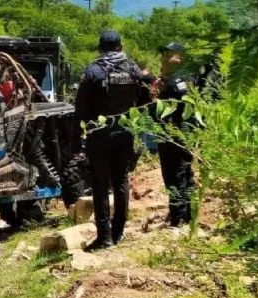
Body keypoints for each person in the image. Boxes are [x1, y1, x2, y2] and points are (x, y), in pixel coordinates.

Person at [75, 31, 147, 251]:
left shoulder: (93, 72)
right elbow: (145, 104)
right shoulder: (133, 70)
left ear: (100, 48)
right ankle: (118, 233)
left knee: (100, 185)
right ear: (120, 46)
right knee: (121, 182)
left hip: (99, 136)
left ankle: (104, 237)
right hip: (125, 134)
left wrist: (77, 141)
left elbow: (80, 110)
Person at [154, 42, 197, 227]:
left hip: (174, 135)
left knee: (176, 177)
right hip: (178, 134)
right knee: (183, 175)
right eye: (164, 54)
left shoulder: (177, 82)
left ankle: (178, 220)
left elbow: (174, 111)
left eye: (169, 54)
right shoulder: (180, 78)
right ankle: (187, 215)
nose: (164, 58)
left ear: (180, 57)